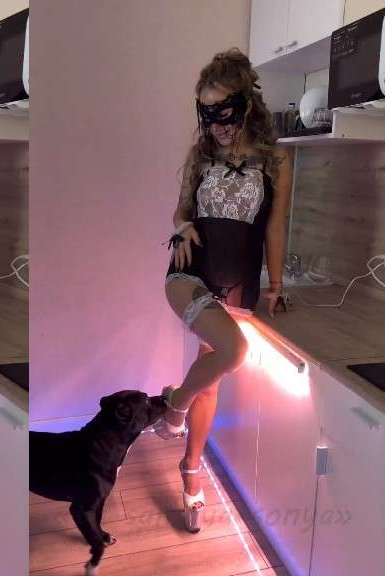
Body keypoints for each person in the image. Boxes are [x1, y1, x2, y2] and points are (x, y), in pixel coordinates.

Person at [157, 49, 292, 533]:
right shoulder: (201, 157)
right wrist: (184, 225)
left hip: (238, 284)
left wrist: (275, 286)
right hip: (188, 273)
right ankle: (174, 407)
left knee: (210, 378)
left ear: (246, 105)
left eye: (224, 111)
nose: (216, 124)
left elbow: (274, 228)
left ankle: (190, 468)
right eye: (207, 113)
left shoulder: (275, 160)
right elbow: (180, 210)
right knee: (234, 352)